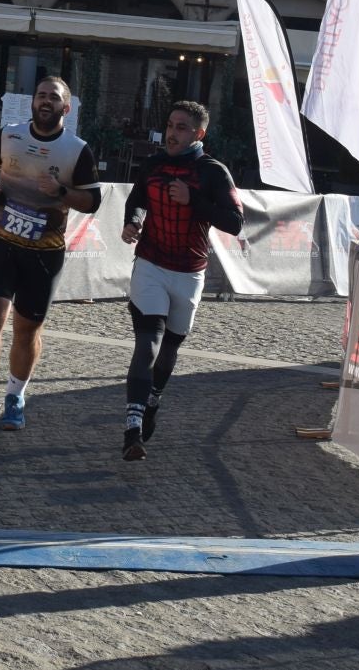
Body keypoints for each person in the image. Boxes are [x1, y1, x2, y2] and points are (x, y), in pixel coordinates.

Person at [0, 75, 101, 433]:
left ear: (65, 108)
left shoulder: (77, 149)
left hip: (44, 252)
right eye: (41, 95)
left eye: (54, 98)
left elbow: (92, 200)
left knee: (26, 329)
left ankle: (15, 397)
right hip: (1, 240)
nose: (46, 102)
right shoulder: (11, 135)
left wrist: (61, 191)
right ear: (33, 102)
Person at [117, 101, 244, 460]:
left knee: (169, 349)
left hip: (190, 271)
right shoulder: (153, 164)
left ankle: (153, 399)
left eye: (182, 127)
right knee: (148, 343)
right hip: (151, 264)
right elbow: (137, 199)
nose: (172, 132)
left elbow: (235, 223)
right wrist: (134, 221)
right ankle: (132, 427)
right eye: (171, 124)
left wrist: (194, 200)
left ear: (199, 134)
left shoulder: (214, 172)